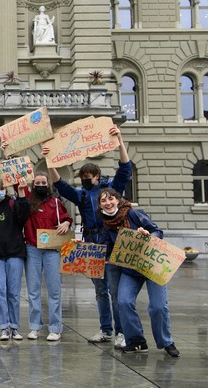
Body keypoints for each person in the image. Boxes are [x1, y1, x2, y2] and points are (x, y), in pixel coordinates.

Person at [43, 125, 131, 347]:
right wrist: (49, 161)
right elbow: (61, 186)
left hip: (111, 241)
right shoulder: (81, 195)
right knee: (100, 291)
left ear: (97, 177)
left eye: (87, 178)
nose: (84, 180)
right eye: (82, 178)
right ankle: (105, 330)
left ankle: (121, 332)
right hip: (91, 244)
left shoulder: (110, 191)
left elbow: (125, 169)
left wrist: (119, 140)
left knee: (114, 289)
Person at [97, 188, 180, 357]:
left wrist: (149, 234)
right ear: (100, 205)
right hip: (130, 269)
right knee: (124, 302)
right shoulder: (106, 224)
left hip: (151, 265)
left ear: (118, 200)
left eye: (111, 199)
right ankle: (137, 341)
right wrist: (81, 249)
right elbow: (105, 249)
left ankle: (166, 342)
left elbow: (158, 231)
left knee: (158, 307)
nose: (108, 203)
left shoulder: (134, 214)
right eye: (103, 201)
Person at [24, 172, 72, 341]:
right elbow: (17, 182)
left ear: (48, 184)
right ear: (33, 185)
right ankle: (35, 326)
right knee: (33, 290)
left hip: (52, 249)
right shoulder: (29, 200)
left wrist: (66, 223)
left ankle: (55, 327)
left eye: (44, 182)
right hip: (32, 248)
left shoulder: (56, 203)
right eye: (37, 182)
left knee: (54, 290)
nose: (41, 185)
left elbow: (67, 218)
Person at [0, 177, 30, 341]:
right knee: (0, 292)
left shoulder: (12, 204)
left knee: (13, 292)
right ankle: (3, 327)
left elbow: (23, 217)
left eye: (2, 189)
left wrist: (21, 193)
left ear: (6, 190)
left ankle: (15, 326)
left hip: (15, 253)